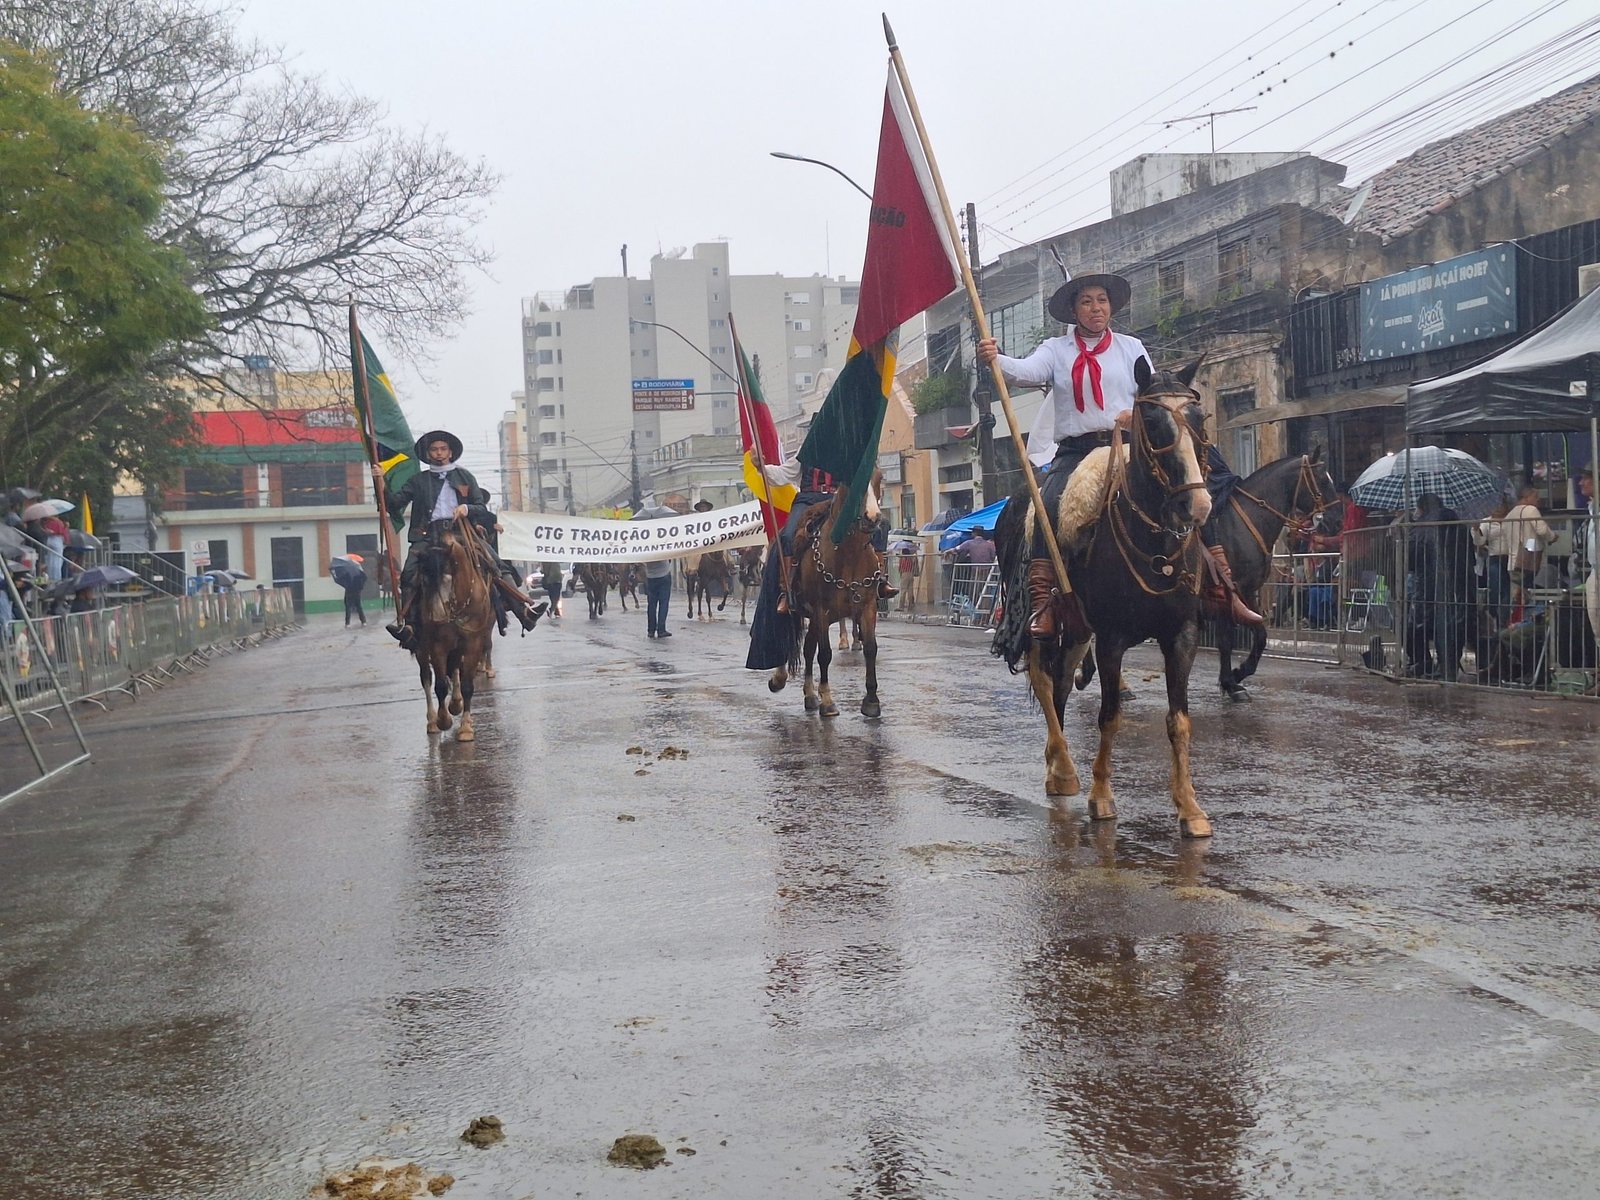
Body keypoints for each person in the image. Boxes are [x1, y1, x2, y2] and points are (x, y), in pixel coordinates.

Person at [978, 271, 1257, 636]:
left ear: (1111, 306)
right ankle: (1045, 600)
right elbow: (1023, 372)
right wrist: (995, 358)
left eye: (1102, 300)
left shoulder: (1130, 346)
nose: (1096, 308)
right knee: (1046, 504)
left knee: (1194, 486)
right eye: (1087, 301)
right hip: (1077, 450)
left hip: (1128, 444)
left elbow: (1153, 389)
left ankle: (1223, 585)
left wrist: (1135, 413)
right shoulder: (1055, 350)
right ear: (1075, 311)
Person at [377, 429, 542, 649]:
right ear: (428, 454)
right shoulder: (418, 480)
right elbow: (395, 503)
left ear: (450, 452)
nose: (438, 453)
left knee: (496, 564)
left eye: (443, 449)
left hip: (462, 532)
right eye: (434, 449)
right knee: (409, 573)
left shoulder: (465, 477)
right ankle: (409, 625)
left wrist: (467, 508)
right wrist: (380, 482)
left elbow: (481, 508)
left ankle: (524, 611)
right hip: (427, 535)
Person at [1404, 494, 1475, 681]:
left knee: (1418, 625)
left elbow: (1410, 560)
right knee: (1452, 625)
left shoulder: (1419, 528)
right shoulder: (1460, 526)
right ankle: (1448, 666)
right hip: (1459, 586)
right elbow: (1471, 557)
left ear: (1422, 508)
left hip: (1427, 586)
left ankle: (1421, 664)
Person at [1502, 484, 1557, 614]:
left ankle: (1513, 624)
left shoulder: (1509, 515)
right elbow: (1542, 529)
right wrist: (1553, 537)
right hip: (1529, 563)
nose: (1538, 499)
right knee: (1533, 596)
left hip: (1513, 562)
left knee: (1517, 597)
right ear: (1526, 498)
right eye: (1535, 496)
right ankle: (1531, 623)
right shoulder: (1530, 510)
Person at [632, 496, 677, 638]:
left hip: (650, 577)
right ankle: (661, 629)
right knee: (663, 603)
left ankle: (651, 630)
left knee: (652, 605)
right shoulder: (662, 540)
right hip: (663, 576)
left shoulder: (645, 544)